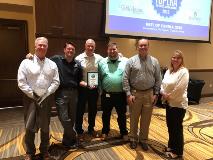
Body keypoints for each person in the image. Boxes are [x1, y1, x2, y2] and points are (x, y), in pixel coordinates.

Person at [26, 42, 83, 148]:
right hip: (61, 93)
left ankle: (67, 141)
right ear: (64, 50)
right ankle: (74, 135)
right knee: (64, 118)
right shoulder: (56, 59)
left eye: (72, 50)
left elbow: (79, 79)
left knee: (72, 118)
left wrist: (84, 83)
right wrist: (31, 57)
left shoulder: (78, 64)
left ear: (74, 52)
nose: (70, 51)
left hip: (74, 93)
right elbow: (42, 60)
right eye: (68, 49)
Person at [17, 37, 60, 160]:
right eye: (39, 45)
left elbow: (56, 82)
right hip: (30, 99)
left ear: (47, 47)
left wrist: (47, 94)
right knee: (29, 126)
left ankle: (44, 150)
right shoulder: (26, 62)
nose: (42, 47)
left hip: (46, 99)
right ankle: (30, 151)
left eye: (44, 45)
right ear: (35, 46)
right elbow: (21, 82)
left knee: (45, 126)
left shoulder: (52, 64)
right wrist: (34, 95)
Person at [123, 38, 161, 150]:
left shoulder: (155, 61)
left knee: (146, 119)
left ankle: (143, 139)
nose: (143, 47)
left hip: (150, 94)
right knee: (134, 118)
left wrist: (156, 93)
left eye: (145, 45)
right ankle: (133, 138)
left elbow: (158, 78)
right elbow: (125, 78)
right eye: (141, 45)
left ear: (148, 46)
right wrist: (128, 94)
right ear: (137, 47)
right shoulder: (131, 61)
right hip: (135, 94)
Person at [160, 50, 189, 159]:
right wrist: (163, 92)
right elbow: (163, 84)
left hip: (178, 105)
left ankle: (178, 152)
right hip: (169, 104)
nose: (175, 60)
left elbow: (180, 89)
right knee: (170, 127)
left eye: (178, 58)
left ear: (181, 60)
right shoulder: (169, 71)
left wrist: (168, 96)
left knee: (177, 128)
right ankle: (171, 146)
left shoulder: (184, 72)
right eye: (173, 57)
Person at [98, 42, 128, 140]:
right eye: (110, 49)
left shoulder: (125, 61)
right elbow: (99, 78)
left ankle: (124, 132)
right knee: (106, 114)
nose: (112, 51)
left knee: (122, 115)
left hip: (121, 94)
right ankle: (105, 131)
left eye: (114, 49)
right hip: (107, 94)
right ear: (107, 50)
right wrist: (100, 91)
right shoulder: (102, 62)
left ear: (117, 49)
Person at [75, 39, 103, 138]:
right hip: (83, 89)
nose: (90, 48)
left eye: (92, 46)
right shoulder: (78, 58)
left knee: (93, 109)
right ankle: (78, 130)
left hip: (94, 89)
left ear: (94, 47)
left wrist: (120, 55)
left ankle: (91, 128)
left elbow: (108, 61)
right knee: (80, 110)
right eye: (88, 46)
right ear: (85, 46)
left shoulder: (99, 58)